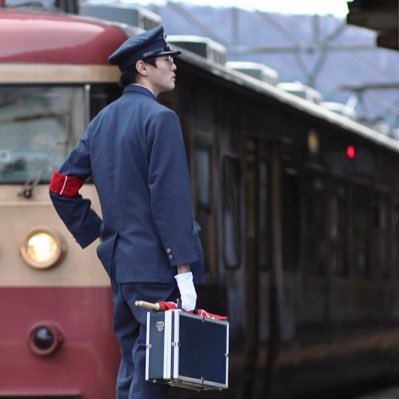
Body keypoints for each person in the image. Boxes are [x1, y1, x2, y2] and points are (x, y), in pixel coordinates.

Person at [49, 25, 205, 399]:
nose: (172, 66)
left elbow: (61, 186)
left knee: (132, 362)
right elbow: (169, 201)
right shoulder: (161, 119)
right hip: (156, 266)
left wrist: (99, 231)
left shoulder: (102, 121)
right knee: (153, 369)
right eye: (166, 59)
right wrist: (184, 270)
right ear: (142, 67)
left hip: (120, 263)